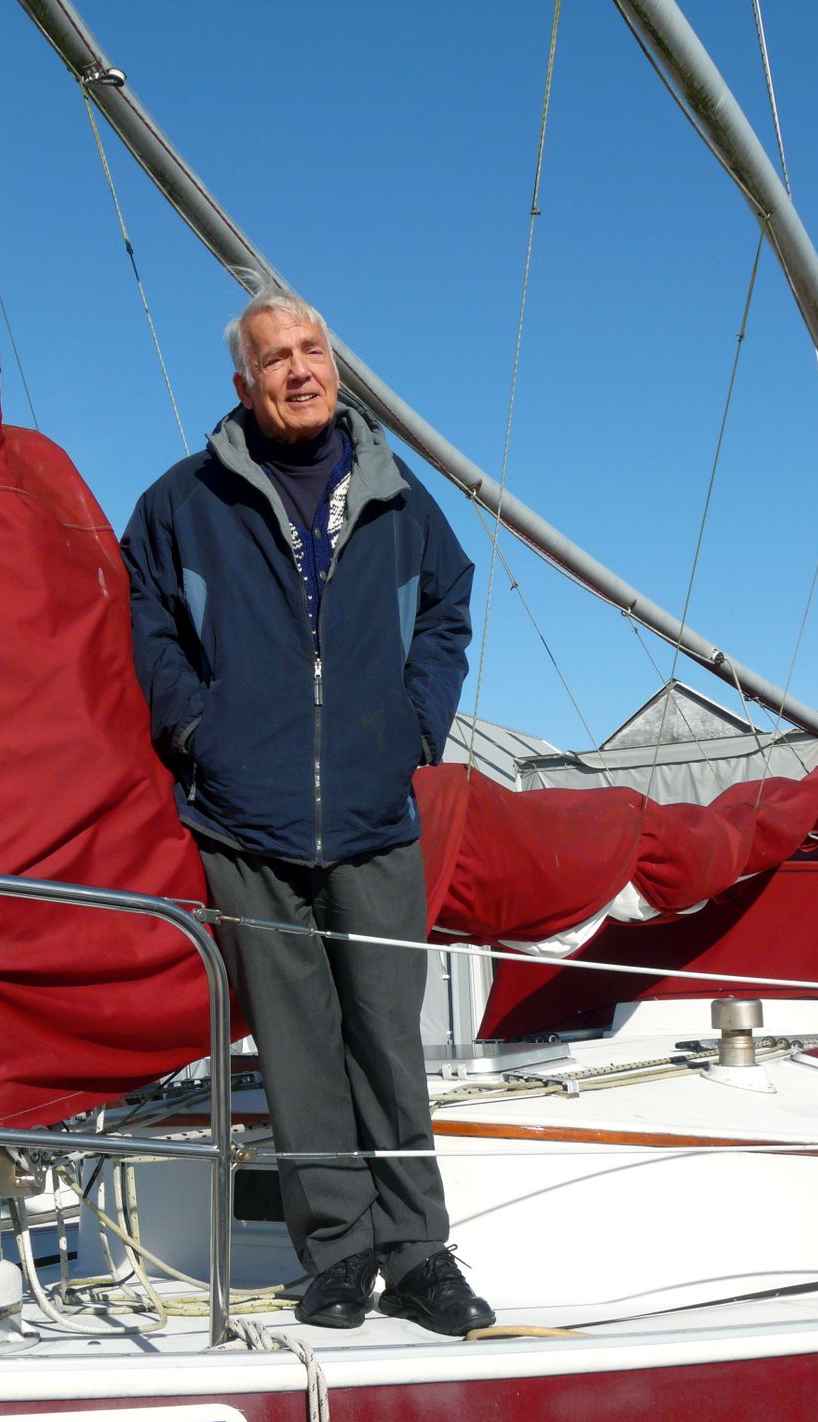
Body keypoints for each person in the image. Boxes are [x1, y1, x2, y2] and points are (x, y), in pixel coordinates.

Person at [121, 287, 493, 1336]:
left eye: (312, 347)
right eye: (276, 355)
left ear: (334, 361)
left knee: (387, 1040)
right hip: (245, 814)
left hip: (374, 811)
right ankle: (339, 1251)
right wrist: (198, 730)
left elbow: (450, 605)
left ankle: (420, 1251)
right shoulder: (183, 502)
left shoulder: (397, 496)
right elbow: (145, 621)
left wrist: (419, 726)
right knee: (293, 1044)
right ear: (244, 384)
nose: (299, 367)